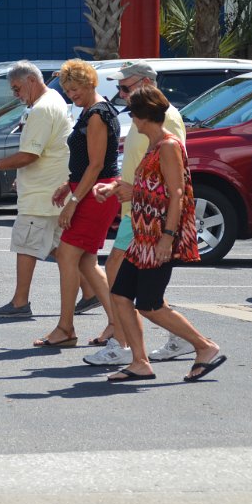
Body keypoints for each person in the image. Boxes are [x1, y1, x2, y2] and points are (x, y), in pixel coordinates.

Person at [93, 85, 226, 382]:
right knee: (121, 295)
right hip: (143, 236)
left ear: (143, 116)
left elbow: (177, 193)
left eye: (133, 114)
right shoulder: (153, 146)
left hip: (157, 237)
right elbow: (150, 189)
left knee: (150, 305)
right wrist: (115, 188)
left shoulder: (167, 145)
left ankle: (204, 347)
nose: (132, 120)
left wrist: (167, 237)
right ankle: (140, 362)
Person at [83, 60, 191, 366]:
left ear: (145, 84)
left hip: (149, 216)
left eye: (125, 87)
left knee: (121, 279)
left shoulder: (165, 120)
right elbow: (141, 167)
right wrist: (117, 186)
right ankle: (167, 340)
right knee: (137, 288)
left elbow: (174, 182)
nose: (120, 94)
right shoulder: (143, 118)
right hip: (137, 212)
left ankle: (125, 345)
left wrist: (166, 234)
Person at [0, 61, 71, 319]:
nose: (15, 94)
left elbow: (30, 154)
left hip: (42, 194)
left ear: (31, 80)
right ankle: (93, 291)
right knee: (62, 250)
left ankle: (20, 302)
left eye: (17, 88)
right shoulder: (54, 100)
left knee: (26, 245)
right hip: (52, 189)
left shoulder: (41, 109)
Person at [37, 59, 120, 348]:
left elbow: (97, 165)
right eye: (68, 90)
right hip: (90, 190)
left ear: (91, 83)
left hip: (96, 194)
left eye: (76, 89)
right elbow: (87, 162)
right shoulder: (91, 110)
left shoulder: (97, 114)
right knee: (85, 260)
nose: (72, 94)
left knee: (66, 255)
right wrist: (69, 184)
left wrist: (73, 200)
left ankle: (66, 328)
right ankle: (116, 322)